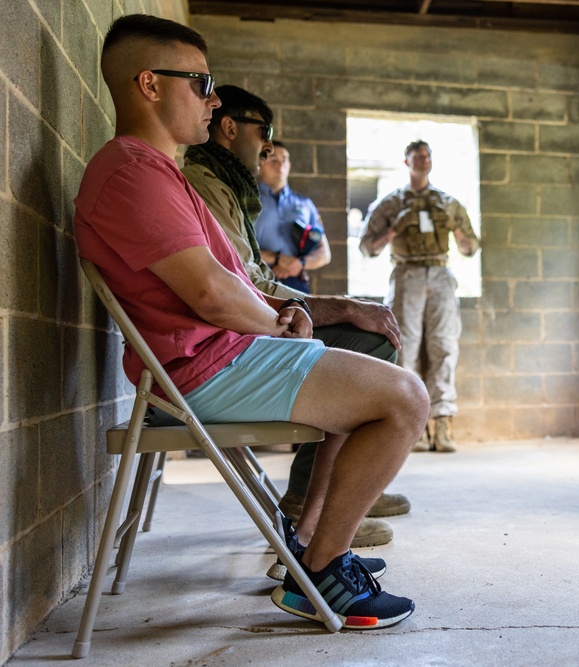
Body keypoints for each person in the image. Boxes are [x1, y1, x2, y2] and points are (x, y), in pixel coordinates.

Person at [76, 13, 428, 628]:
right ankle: (322, 570)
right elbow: (213, 294)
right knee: (406, 400)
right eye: (201, 82)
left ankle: (313, 549)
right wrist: (276, 321)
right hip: (201, 368)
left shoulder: (159, 172)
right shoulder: (132, 172)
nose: (213, 101)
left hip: (214, 355)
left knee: (366, 373)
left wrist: (283, 313)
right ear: (150, 84)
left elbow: (231, 281)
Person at [181, 85, 410, 550]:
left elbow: (256, 275)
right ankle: (315, 507)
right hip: (225, 348)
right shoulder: (205, 184)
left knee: (372, 333)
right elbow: (238, 284)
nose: (269, 148)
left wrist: (320, 302)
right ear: (230, 127)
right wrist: (333, 307)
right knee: (377, 353)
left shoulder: (233, 185)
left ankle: (339, 493)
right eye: (264, 132)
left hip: (252, 321)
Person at [360, 140, 480, 452]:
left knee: (444, 346)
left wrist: (456, 230)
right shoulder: (392, 203)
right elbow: (367, 248)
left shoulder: (447, 202)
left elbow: (471, 248)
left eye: (428, 156)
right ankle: (413, 425)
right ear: (407, 162)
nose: (424, 161)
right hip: (407, 273)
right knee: (406, 347)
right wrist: (394, 231)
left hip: (440, 273)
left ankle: (442, 425)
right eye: (417, 156)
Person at [255, 141, 331, 293]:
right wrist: (276, 259)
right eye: (274, 160)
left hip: (296, 282)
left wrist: (299, 264)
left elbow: (324, 254)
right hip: (258, 280)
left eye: (285, 160)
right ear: (260, 163)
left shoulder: (305, 204)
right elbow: (235, 248)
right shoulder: (247, 201)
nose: (280, 165)